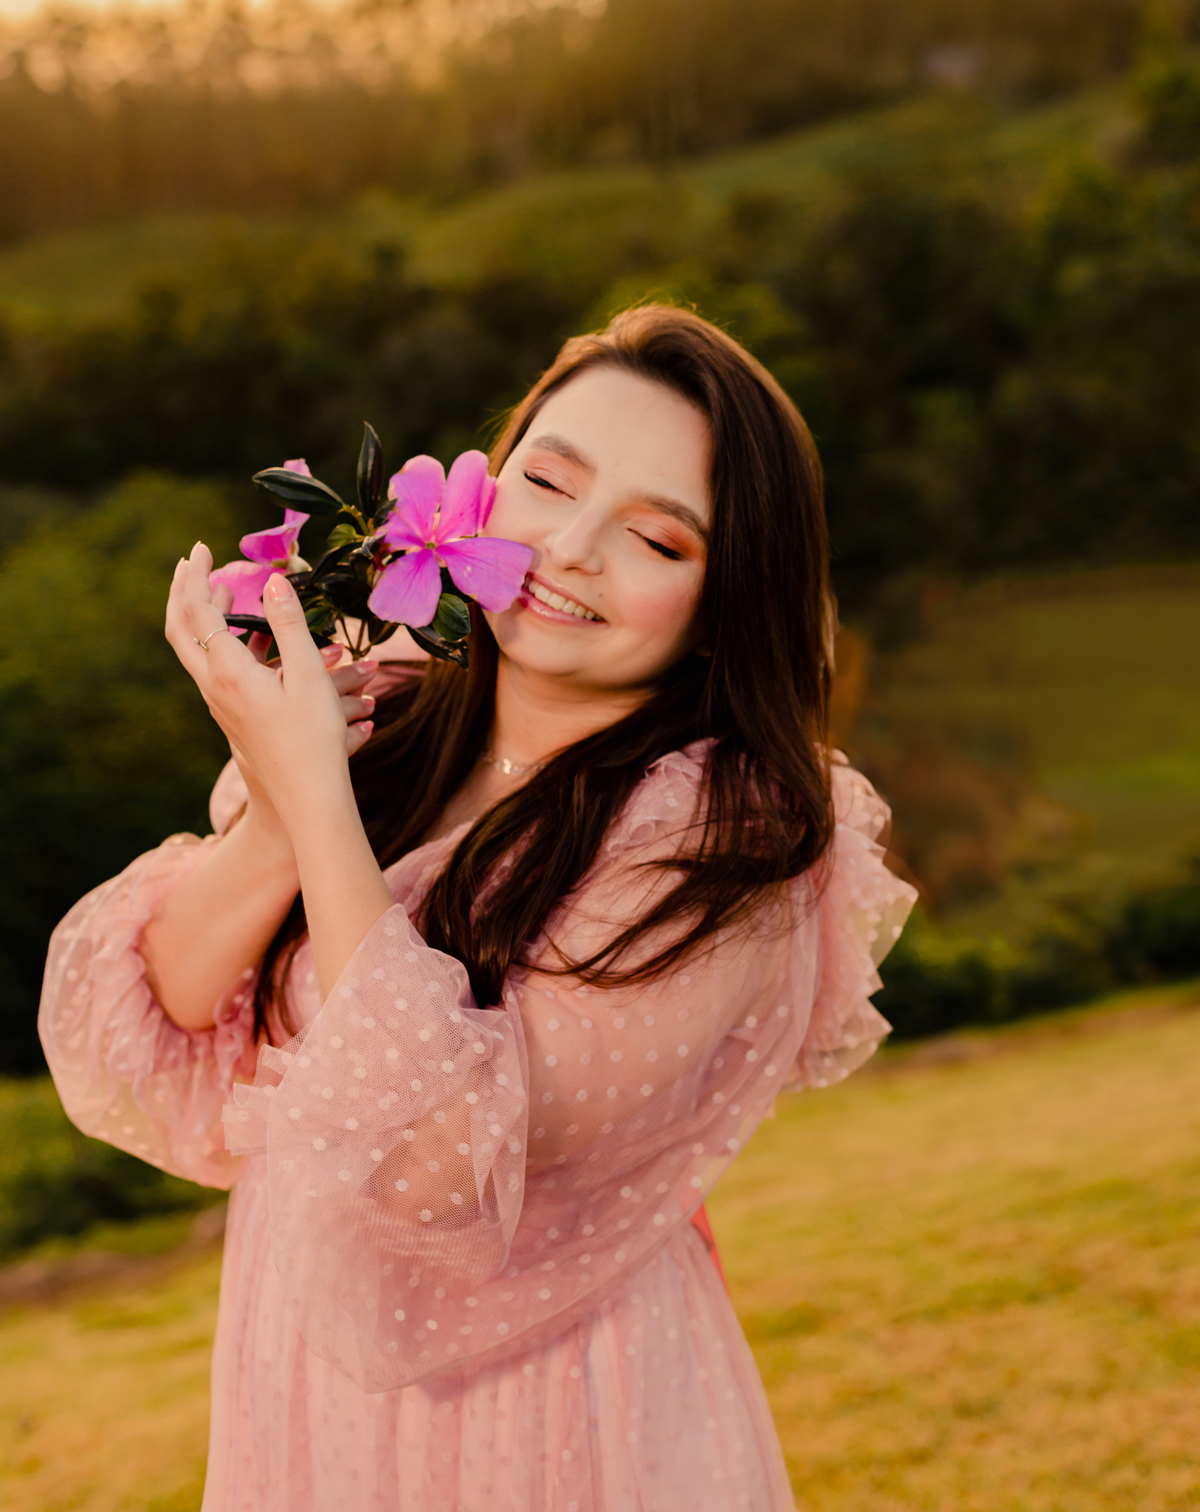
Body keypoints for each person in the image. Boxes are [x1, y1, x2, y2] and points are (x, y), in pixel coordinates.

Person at [40, 305, 916, 1512]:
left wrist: (313, 795)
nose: (571, 549)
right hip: (309, 1370)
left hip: (559, 1397)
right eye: (548, 481)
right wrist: (295, 805)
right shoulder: (385, 709)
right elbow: (170, 1003)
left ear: (726, 603)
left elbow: (435, 1162)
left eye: (657, 540)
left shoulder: (726, 832)